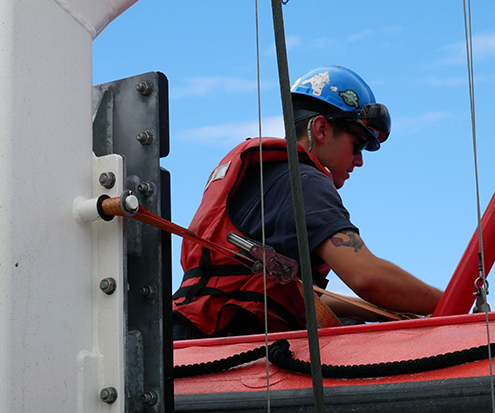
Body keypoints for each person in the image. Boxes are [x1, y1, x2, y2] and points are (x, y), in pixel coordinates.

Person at [172, 66, 442, 339]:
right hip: (230, 343)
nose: (359, 161)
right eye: (357, 145)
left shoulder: (270, 177)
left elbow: (297, 296)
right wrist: (450, 302)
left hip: (189, 338)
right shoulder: (304, 179)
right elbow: (367, 277)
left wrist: (375, 311)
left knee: (351, 322)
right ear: (322, 129)